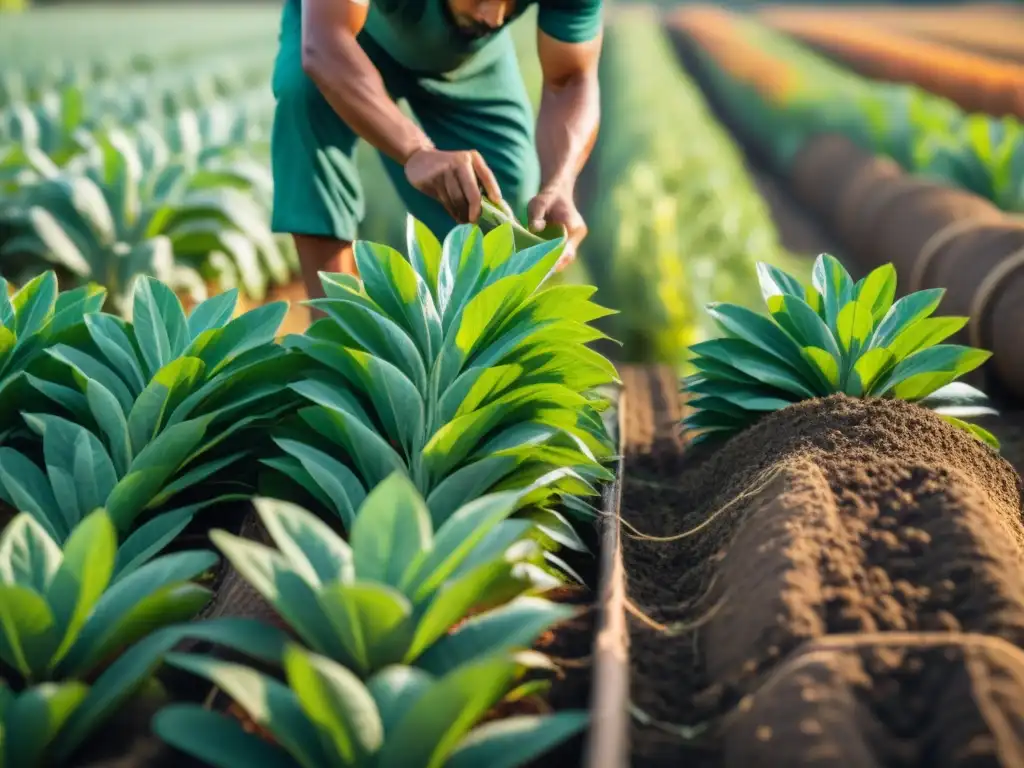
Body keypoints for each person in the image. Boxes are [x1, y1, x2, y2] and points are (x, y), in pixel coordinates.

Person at [269, 0, 602, 300]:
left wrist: (560, 182)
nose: (492, 16)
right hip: (347, 35)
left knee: (504, 203)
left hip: (461, 59)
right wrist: (415, 151)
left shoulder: (483, 17)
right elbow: (327, 42)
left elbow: (572, 78)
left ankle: (463, 349)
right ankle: (336, 327)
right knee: (304, 95)